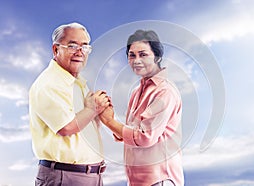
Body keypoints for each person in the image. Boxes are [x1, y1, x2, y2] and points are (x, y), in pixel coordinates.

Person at [99, 30, 184, 186]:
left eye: (143, 54)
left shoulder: (165, 91)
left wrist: (109, 121)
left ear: (157, 57)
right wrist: (110, 117)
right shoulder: (137, 91)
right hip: (137, 181)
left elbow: (144, 137)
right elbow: (131, 133)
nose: (136, 60)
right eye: (132, 55)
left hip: (160, 180)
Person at [29, 22, 109, 186]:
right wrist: (92, 108)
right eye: (72, 45)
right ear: (56, 49)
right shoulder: (49, 83)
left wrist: (99, 115)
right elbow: (66, 127)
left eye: (85, 47)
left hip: (90, 176)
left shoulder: (77, 82)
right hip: (65, 177)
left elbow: (84, 127)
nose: (80, 52)